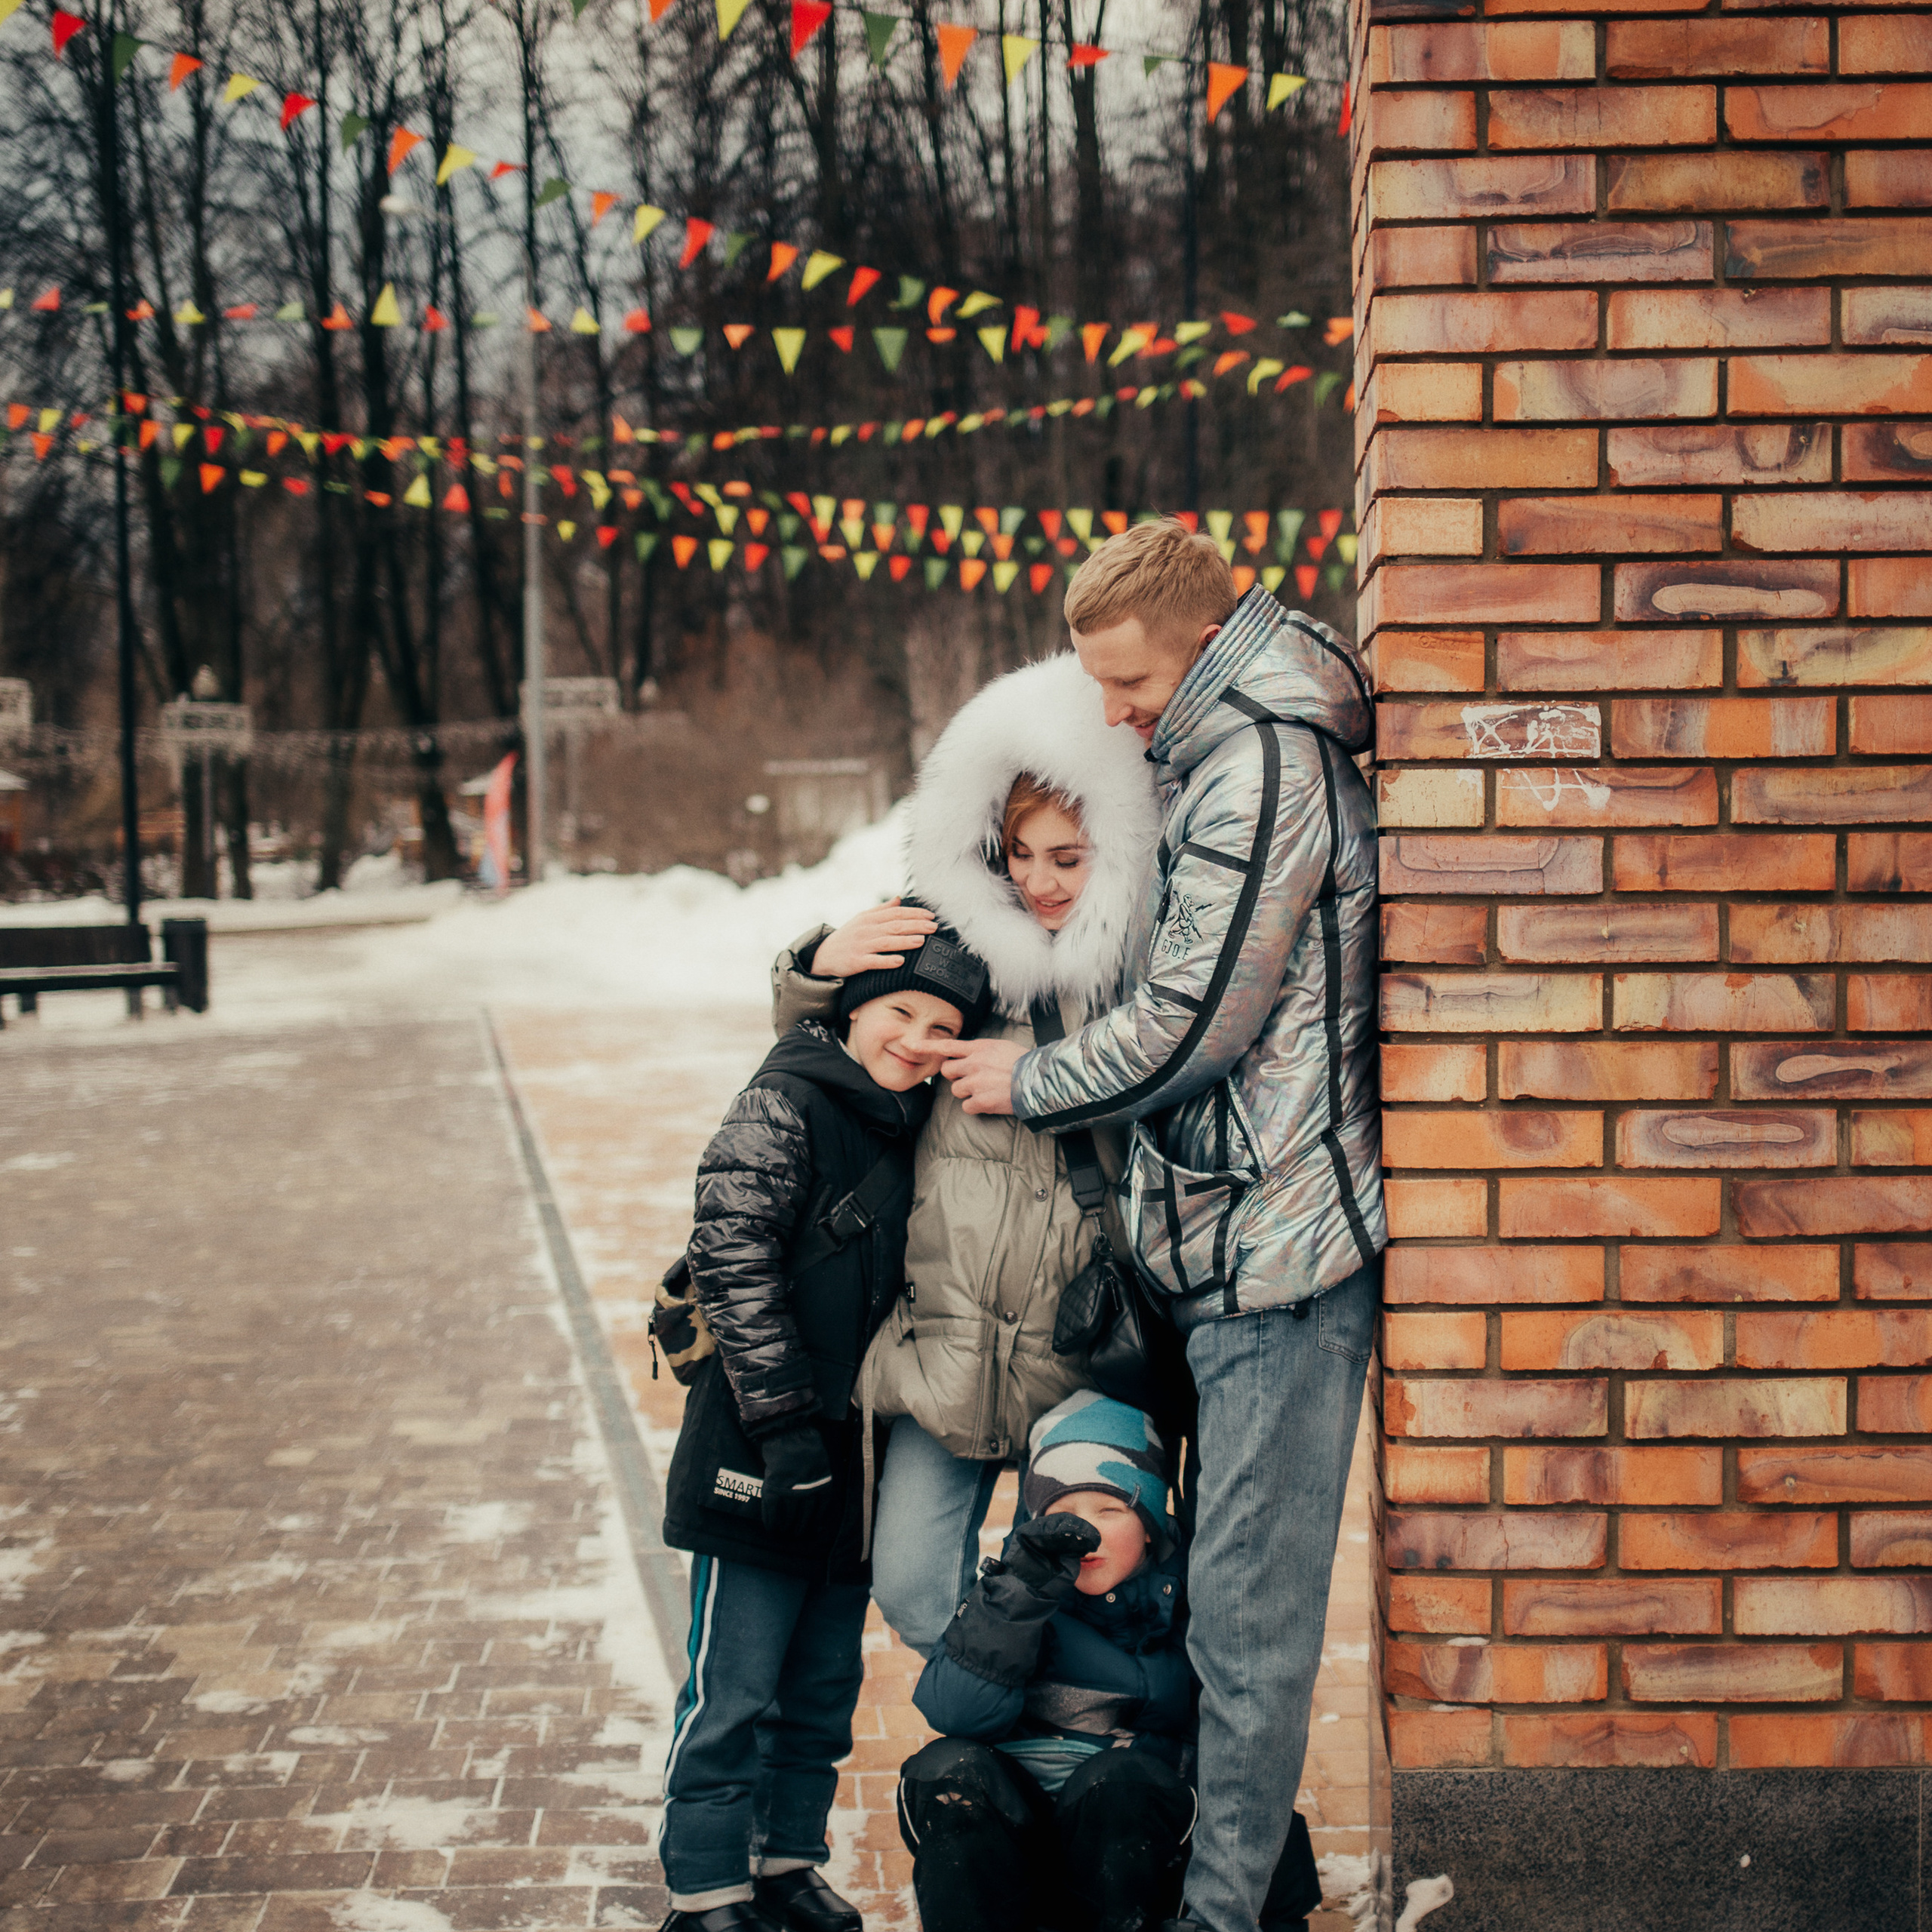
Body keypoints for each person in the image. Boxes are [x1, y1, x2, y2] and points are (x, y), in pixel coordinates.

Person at [940, 520, 1383, 1932]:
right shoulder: (1207, 749)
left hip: (1278, 1257)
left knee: (1246, 1628)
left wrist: (1037, 1081)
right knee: (1190, 1606)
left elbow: (1200, 1021)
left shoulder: (1261, 763)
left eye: (1130, 686)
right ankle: (1178, 1873)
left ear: (1204, 637)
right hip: (1212, 1251)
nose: (1115, 715)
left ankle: (1218, 1916)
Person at [769, 649, 1163, 1657]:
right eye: (1018, 855)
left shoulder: (1143, 974)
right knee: (907, 1592)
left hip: (1080, 1353)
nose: (1038, 882)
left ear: (1110, 851)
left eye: (1066, 858)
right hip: (943, 1346)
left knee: (1099, 1595)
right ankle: (993, 1712)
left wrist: (1047, 1071)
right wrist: (812, 968)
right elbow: (838, 1038)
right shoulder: (961, 951)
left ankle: (1064, 1758)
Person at [657, 934, 997, 1932]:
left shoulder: (919, 1126)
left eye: (942, 1029)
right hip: (759, 1454)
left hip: (856, 1460)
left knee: (817, 1692)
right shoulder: (788, 1095)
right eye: (899, 1014)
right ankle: (704, 1888)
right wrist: (785, 1432)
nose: (917, 1040)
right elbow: (731, 1253)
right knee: (732, 1691)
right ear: (849, 1011)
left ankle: (783, 1863)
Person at [897, 1391, 1321, 1932]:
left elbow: (1241, 1743)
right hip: (1016, 1842)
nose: (1087, 1533)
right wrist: (1019, 1597)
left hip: (1133, 1851)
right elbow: (954, 1713)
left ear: (1149, 1522)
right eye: (1063, 1514)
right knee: (948, 1768)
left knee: (1118, 1780)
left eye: (1109, 1509)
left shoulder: (1195, 1594)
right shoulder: (1015, 1591)